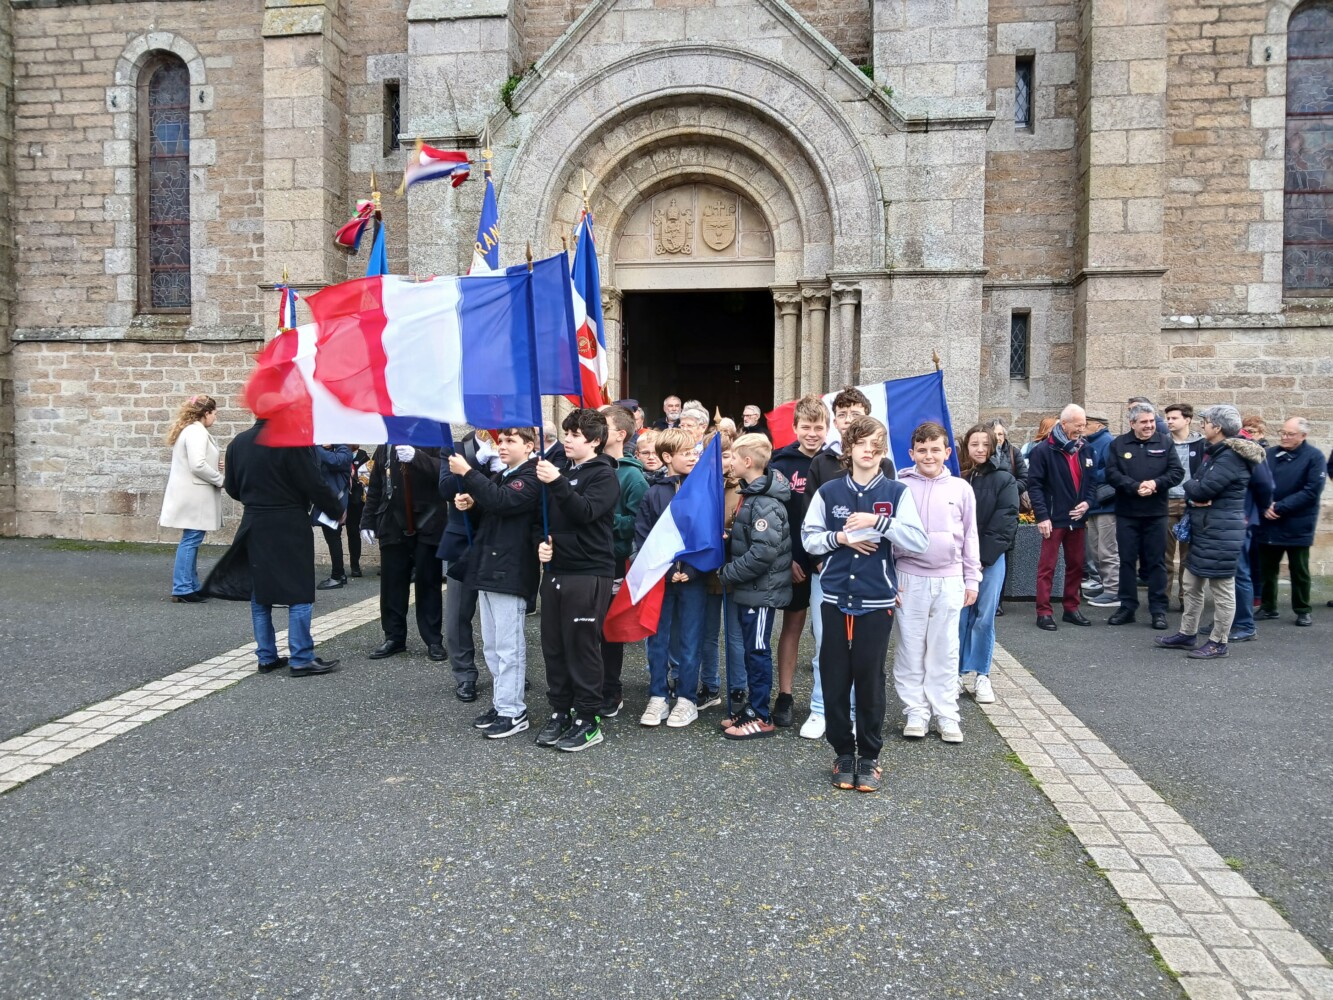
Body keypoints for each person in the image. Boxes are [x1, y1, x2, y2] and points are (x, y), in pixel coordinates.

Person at [804, 416, 928, 792]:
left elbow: (919, 541)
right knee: (835, 677)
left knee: (870, 679)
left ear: (883, 450)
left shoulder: (897, 492)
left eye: (876, 444)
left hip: (876, 600)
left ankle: (870, 756)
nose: (869, 450)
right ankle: (843, 753)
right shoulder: (829, 492)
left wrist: (879, 522)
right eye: (861, 443)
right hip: (834, 598)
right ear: (848, 449)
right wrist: (841, 537)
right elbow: (809, 539)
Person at [203, 419, 343, 676]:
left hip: (254, 521)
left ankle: (266, 656)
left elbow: (232, 487)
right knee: (299, 591)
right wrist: (336, 509)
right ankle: (301, 658)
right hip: (289, 522)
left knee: (260, 592)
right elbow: (313, 483)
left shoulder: (238, 443)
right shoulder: (290, 441)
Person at [798, 386, 896, 736]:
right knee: (827, 645)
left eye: (856, 414)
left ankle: (854, 712)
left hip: (869, 573)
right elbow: (810, 520)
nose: (849, 420)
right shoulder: (821, 463)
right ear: (836, 422)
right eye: (843, 415)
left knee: (864, 653)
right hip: (830, 569)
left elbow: (890, 520)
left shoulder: (884, 465)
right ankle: (821, 708)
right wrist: (821, 560)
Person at [534, 408, 621, 752]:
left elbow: (584, 512)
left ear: (596, 441)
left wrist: (556, 481)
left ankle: (588, 717)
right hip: (557, 571)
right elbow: (543, 520)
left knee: (582, 646)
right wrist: (541, 544)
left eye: (575, 435)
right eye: (566, 433)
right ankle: (560, 710)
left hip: (588, 572)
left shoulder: (604, 476)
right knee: (554, 646)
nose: (567, 440)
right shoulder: (562, 471)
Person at [448, 427, 541, 739]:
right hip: (490, 568)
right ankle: (502, 702)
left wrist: (468, 473)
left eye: (510, 441)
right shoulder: (504, 475)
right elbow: (493, 513)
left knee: (508, 646)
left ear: (529, 446)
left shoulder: (531, 476)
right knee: (492, 644)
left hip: (510, 571)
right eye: (500, 440)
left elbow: (503, 502)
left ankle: (513, 711)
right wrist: (472, 506)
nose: (502, 445)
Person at [893, 421, 981, 744]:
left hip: (949, 578)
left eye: (935, 450)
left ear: (947, 453)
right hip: (909, 578)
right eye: (922, 450)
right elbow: (889, 534)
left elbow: (970, 536)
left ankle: (946, 714)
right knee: (910, 648)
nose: (928, 456)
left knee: (944, 649)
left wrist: (972, 579)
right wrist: (890, 580)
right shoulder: (899, 486)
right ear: (911, 453)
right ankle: (916, 711)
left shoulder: (961, 489)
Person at [1155, 405, 1267, 659]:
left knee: (1222, 589)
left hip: (1221, 531)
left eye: (1205, 422)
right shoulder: (1216, 453)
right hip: (1206, 528)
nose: (1202, 425)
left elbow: (1200, 489)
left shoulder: (1230, 457)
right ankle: (1187, 634)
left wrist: (1194, 489)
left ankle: (1218, 642)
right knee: (1191, 584)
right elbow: (1198, 488)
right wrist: (1196, 490)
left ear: (1217, 427)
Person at [717, 432, 793, 739]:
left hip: (761, 592)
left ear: (747, 462)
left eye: (734, 458)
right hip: (753, 590)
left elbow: (763, 553)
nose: (730, 463)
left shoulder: (764, 503)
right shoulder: (752, 496)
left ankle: (761, 715)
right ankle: (752, 707)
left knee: (758, 651)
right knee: (751, 650)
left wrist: (728, 572)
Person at [635, 427, 708, 729]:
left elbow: (707, 536)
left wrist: (691, 570)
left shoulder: (703, 491)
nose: (693, 458)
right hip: (660, 578)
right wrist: (666, 570)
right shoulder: (653, 493)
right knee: (658, 640)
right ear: (667, 457)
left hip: (693, 579)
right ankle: (658, 696)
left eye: (695, 452)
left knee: (690, 640)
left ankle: (687, 698)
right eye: (685, 453)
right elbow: (643, 537)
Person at [768, 395, 828, 736]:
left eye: (818, 427)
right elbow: (774, 516)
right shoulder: (780, 463)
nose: (812, 433)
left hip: (824, 561)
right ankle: (786, 695)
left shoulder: (835, 461)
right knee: (792, 626)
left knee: (827, 633)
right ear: (795, 428)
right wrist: (786, 556)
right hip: (792, 559)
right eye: (806, 427)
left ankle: (825, 698)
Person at [361, 443, 447, 664]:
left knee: (429, 583)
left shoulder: (433, 437)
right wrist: (367, 521)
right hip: (392, 522)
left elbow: (446, 471)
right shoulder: (386, 445)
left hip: (428, 521)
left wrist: (417, 457)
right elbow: (376, 485)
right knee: (392, 585)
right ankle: (394, 637)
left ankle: (433, 639)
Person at [1104, 402, 1184, 629]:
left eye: (1151, 421)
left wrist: (1155, 484)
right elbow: (1111, 474)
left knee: (1156, 562)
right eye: (1144, 422)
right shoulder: (1119, 444)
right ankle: (1127, 607)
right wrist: (1134, 486)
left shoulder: (1165, 442)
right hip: (1127, 513)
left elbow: (1176, 472)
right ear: (1132, 423)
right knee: (1127, 561)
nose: (1149, 426)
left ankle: (1158, 610)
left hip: (1156, 513)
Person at [957, 424, 1019, 705]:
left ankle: (982, 673)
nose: (980, 449)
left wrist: (981, 559)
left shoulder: (1004, 479)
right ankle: (956, 672)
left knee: (984, 617)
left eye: (985, 444)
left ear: (994, 447)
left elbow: (1005, 521)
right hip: (958, 560)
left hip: (989, 560)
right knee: (959, 617)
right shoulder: (960, 478)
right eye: (974, 444)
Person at [436, 431, 498, 700]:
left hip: (499, 540)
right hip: (464, 539)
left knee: (501, 614)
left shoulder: (511, 442)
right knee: (459, 613)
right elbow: (445, 488)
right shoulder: (456, 447)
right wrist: (473, 463)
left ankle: (506, 671)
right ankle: (464, 674)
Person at [1027, 404, 1096, 631]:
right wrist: (1042, 516)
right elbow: (1035, 486)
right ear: (1064, 424)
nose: (1081, 430)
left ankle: (1071, 608)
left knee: (1076, 565)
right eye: (1078, 425)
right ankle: (1043, 612)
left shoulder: (1086, 448)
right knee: (1047, 567)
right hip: (1053, 518)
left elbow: (1092, 483)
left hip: (1077, 518)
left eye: (1084, 425)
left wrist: (1088, 502)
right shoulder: (1043, 450)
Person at [600, 405, 650, 717]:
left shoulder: (632, 476)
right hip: (587, 558)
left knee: (609, 628)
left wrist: (604, 518)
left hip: (614, 560)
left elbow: (638, 522)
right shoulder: (589, 467)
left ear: (620, 434)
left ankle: (611, 688)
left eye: (602, 425)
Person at [1258, 418, 1326, 627]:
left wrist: (1280, 507)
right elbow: (1258, 482)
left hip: (1298, 522)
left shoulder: (1314, 457)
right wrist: (1265, 505)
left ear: (1303, 436)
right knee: (1267, 569)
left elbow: (1311, 491)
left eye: (1290, 434)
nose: (1284, 437)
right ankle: (1268, 607)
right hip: (1269, 521)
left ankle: (1303, 609)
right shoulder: (1269, 454)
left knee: (1299, 570)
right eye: (1282, 432)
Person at [160, 394, 225, 603]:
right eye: (214, 413)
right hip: (195, 495)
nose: (215, 417)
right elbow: (197, 465)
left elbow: (198, 461)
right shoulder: (197, 432)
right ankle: (182, 587)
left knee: (192, 538)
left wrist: (215, 464)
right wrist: (220, 480)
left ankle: (191, 585)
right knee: (191, 540)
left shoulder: (190, 430)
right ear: (206, 413)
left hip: (192, 493)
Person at [701, 432, 747, 714]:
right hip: (707, 571)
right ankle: (709, 685)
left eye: (727, 455)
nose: (721, 461)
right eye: (715, 455)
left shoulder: (741, 488)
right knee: (707, 633)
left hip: (733, 570)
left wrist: (730, 534)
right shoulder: (700, 486)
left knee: (735, 635)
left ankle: (738, 687)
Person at [1163, 403, 1205, 612]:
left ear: (1187, 420)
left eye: (1174, 418)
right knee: (1164, 556)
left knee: (1189, 557)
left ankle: (1186, 599)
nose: (1169, 421)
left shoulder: (1201, 444)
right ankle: (1162, 599)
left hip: (1192, 504)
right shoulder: (1162, 442)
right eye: (1168, 418)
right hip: (1167, 502)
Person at [987, 418, 1028, 618]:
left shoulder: (1013, 453)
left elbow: (1024, 478)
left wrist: (1007, 489)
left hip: (1007, 510)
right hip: (986, 508)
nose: (998, 438)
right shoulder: (983, 453)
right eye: (995, 434)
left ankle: (998, 601)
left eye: (1001, 434)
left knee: (1003, 556)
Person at [1080, 415, 1120, 608]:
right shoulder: (1091, 442)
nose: (1083, 427)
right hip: (1095, 505)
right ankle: (1106, 585)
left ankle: (1114, 590)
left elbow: (1112, 470)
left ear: (1098, 425)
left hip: (1106, 504)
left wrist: (1088, 473)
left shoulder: (1107, 442)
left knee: (1107, 550)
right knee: (1096, 549)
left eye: (1087, 424)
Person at [314, 444, 353, 591]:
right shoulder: (329, 450)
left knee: (334, 539)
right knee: (332, 539)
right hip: (329, 503)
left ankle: (337, 576)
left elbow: (334, 461)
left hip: (336, 503)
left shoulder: (344, 450)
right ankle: (340, 574)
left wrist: (316, 446)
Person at [347, 447, 370, 577]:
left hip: (358, 502)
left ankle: (355, 565)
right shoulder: (339, 454)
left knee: (355, 532)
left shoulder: (363, 456)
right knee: (349, 533)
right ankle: (348, 567)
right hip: (344, 501)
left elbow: (368, 476)